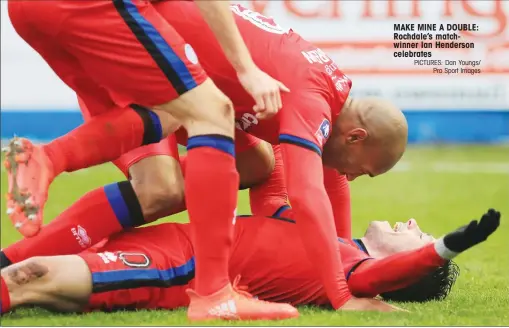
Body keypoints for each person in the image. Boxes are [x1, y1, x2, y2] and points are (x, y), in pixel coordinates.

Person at [5, 1, 408, 312]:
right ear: (356, 137)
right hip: (120, 28)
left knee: (253, 160)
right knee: (164, 180)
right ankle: (47, 162)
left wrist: (342, 259)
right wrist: (340, 292)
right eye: (365, 172)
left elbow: (320, 181)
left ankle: (13, 250)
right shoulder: (313, 98)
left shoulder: (323, 102)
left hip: (80, 24)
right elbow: (306, 193)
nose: (352, 178)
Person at [5, 0, 294, 321]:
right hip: (95, 8)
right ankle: (214, 295)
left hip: (33, 12)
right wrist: (247, 68)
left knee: (163, 185)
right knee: (213, 112)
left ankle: (7, 263)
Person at [0, 208, 500, 315]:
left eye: (420, 235)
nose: (412, 222)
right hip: (167, 240)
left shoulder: (352, 275)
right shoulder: (335, 238)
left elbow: (392, 274)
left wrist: (444, 250)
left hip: (179, 268)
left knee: (29, 277)